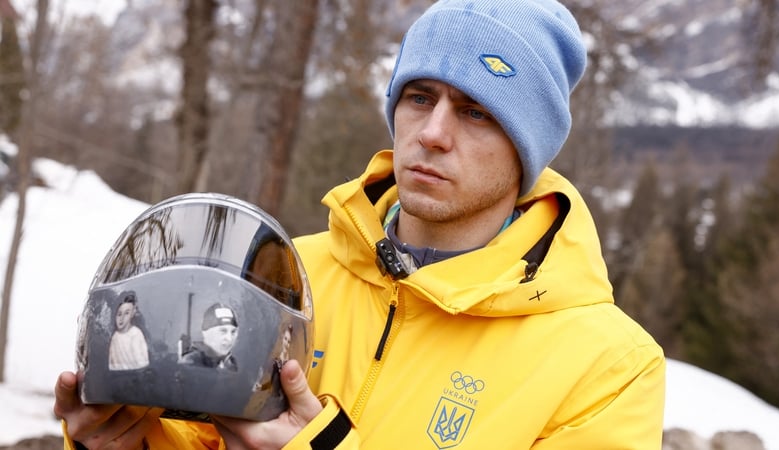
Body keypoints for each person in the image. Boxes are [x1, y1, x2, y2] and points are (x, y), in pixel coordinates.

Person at [53, 0, 666, 448]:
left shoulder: (608, 366)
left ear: (527, 151)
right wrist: (125, 442)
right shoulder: (288, 273)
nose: (432, 133)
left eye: (477, 112)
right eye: (420, 97)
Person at [178, 303, 239, 371]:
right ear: (206, 333)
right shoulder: (191, 363)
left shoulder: (231, 363)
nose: (229, 339)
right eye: (223, 331)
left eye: (233, 332)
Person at [107, 291, 149, 371]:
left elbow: (142, 363)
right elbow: (112, 364)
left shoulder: (136, 334)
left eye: (126, 313)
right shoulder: (115, 337)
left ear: (132, 314)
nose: (121, 318)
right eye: (119, 314)